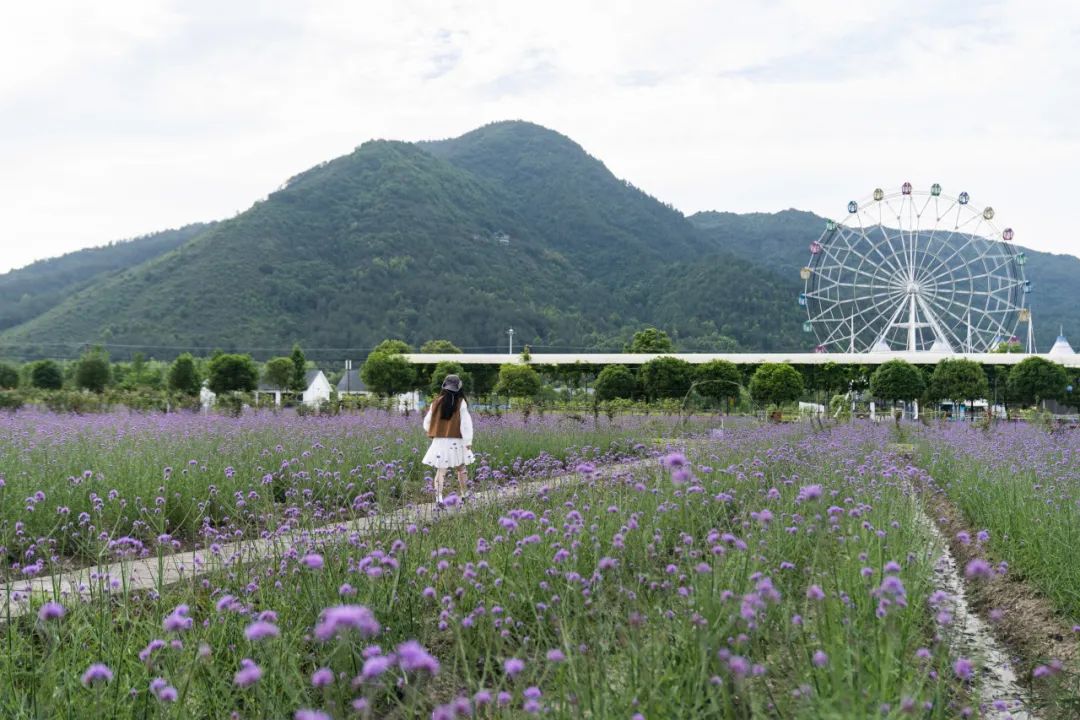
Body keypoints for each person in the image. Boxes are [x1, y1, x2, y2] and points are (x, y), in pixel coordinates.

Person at [422, 374, 475, 503]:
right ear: (459, 387)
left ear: (444, 386)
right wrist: (468, 441)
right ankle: (464, 494)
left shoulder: (436, 402)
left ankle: (438, 499)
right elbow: (466, 424)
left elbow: (427, 422)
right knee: (461, 469)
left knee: (441, 471)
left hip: (440, 441)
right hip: (457, 440)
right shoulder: (461, 402)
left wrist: (434, 432)